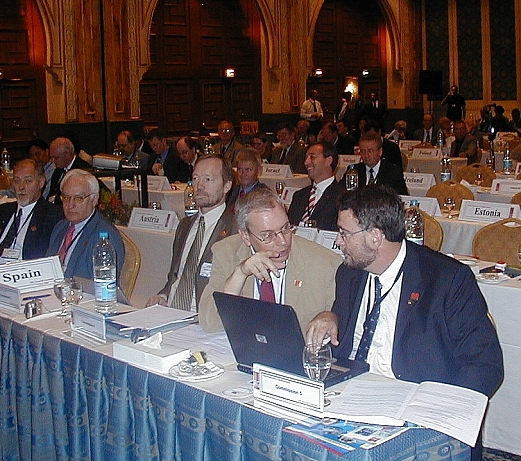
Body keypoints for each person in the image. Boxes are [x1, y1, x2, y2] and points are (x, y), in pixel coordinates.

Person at [306, 185, 503, 460]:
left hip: (416, 409)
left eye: (344, 233)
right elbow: (345, 332)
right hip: (350, 398)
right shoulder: (350, 273)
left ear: (375, 237)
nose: (337, 241)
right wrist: (331, 316)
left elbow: (485, 364)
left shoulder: (446, 279)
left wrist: (437, 412)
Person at [199, 186, 342, 333]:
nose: (282, 241)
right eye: (268, 235)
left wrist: (330, 318)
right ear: (245, 236)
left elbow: (338, 321)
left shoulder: (325, 263)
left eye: (285, 228)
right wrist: (240, 274)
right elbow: (209, 323)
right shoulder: (226, 252)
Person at [146, 154, 237, 311]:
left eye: (208, 179)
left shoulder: (236, 229)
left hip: (205, 314)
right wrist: (163, 296)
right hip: (170, 310)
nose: (199, 186)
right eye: (195, 178)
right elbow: (175, 276)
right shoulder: (185, 225)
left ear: (227, 186)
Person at [47, 169, 128, 304]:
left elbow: (100, 289)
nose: (70, 205)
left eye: (78, 198)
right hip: (54, 298)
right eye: (66, 198)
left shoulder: (105, 236)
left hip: (83, 304)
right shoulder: (60, 228)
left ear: (94, 199)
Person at [0, 159, 64, 265]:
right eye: (17, 181)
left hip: (25, 270)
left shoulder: (53, 215)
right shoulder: (2, 211)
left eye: (28, 181)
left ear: (41, 182)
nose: (21, 187)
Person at [288, 141, 344, 231]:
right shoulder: (299, 196)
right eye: (306, 158)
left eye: (312, 157)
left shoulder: (342, 198)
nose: (306, 162)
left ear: (328, 161)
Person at [47, 136, 92, 204]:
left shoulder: (82, 170)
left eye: (56, 158)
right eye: (51, 157)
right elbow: (52, 193)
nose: (53, 161)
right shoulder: (58, 171)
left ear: (67, 154)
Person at [226, 148, 267, 212]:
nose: (243, 174)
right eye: (240, 169)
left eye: (248, 170)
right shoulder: (230, 192)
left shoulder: (264, 195)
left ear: (259, 170)